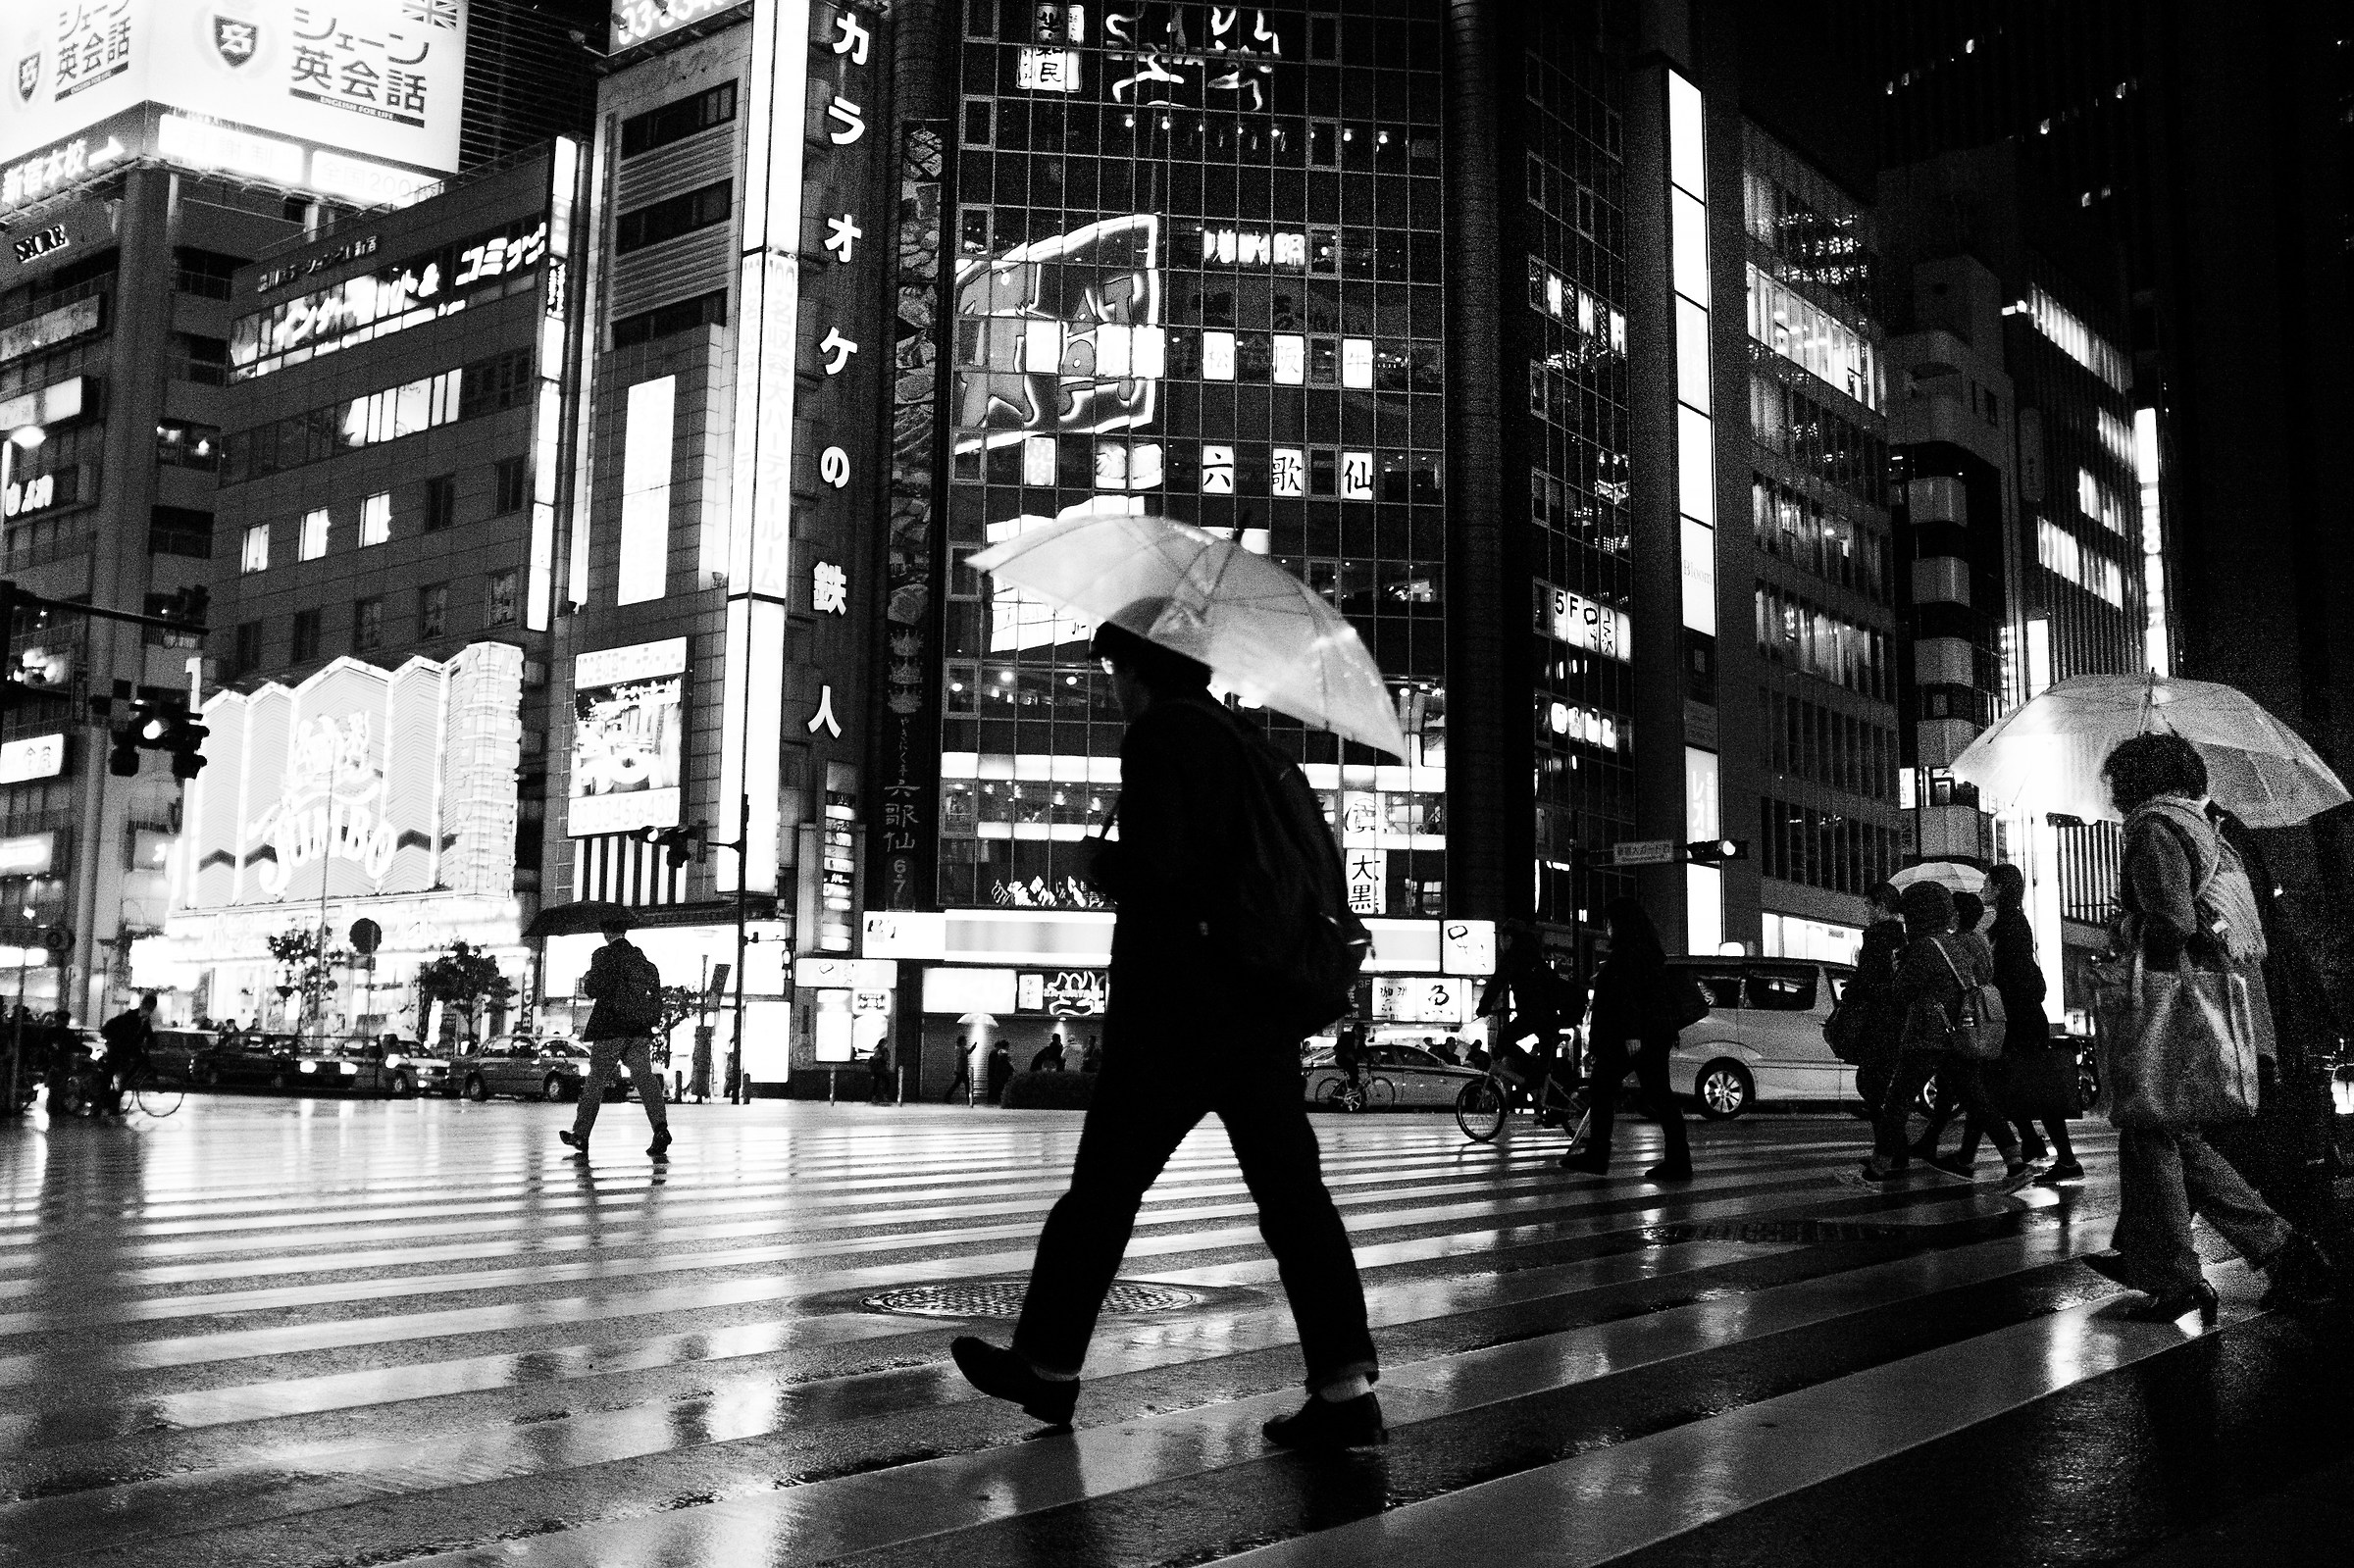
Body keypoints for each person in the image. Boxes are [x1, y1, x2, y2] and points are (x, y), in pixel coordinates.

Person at [950, 612, 1382, 1449]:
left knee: (1101, 1196)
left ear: (1138, 669)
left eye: (1114, 668)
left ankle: (1046, 1366)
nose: (1112, 683)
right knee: (1295, 1202)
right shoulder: (1237, 737)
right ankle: (1347, 1391)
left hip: (1178, 1016)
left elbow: (1164, 876)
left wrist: (1101, 865)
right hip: (1252, 1013)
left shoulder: (1161, 738)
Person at [2081, 733, 2334, 1316]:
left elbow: (2173, 918)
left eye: (2117, 780)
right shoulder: (2207, 828)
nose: (2113, 793)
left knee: (2154, 1126)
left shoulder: (2152, 828)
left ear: (2136, 780)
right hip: (2223, 995)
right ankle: (2210, 1258)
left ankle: (2183, 1269)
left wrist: (2127, 932)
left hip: (2175, 1004)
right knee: (2166, 1134)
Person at [1862, 882, 2030, 1188]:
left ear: (1917, 915)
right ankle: (2015, 1162)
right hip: (1958, 1033)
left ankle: (1877, 1170)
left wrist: (1898, 968)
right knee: (1977, 1099)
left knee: (1897, 1100)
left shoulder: (1924, 947)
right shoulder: (1953, 944)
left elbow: (1902, 993)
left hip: (1927, 1034)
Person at [1938, 865, 2082, 1183]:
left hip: (2017, 1020)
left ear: (2000, 887)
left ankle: (2056, 1158)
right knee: (2000, 1086)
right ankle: (1993, 1153)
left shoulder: (2011, 925)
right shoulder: (2009, 923)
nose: (1983, 888)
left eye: (1988, 882)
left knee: (2019, 1088)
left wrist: (1991, 991)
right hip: (2018, 1019)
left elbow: (2015, 976)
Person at [1560, 898, 1692, 1182]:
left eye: (1609, 922)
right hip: (1651, 1034)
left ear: (1620, 924)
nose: (1606, 928)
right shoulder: (1645, 952)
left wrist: (1632, 1033)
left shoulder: (1628, 954)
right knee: (1658, 1094)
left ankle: (1598, 1155)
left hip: (1634, 1037)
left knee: (1605, 1087)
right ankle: (1678, 1160)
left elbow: (1628, 997)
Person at [558, 918, 673, 1162]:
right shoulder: (645, 963)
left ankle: (580, 1134)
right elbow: (656, 997)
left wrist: (590, 977)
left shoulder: (603, 956)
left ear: (605, 932)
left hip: (611, 1028)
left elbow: (593, 989)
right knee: (645, 1078)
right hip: (639, 1030)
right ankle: (660, 1129)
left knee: (596, 1080)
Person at [1910, 887, 1998, 1160]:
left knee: (1971, 1092)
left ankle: (2007, 1154)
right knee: (1956, 1088)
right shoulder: (1980, 941)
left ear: (1956, 915)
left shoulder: (1958, 945)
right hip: (1977, 1019)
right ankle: (1935, 1143)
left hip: (1961, 1021)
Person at [1849, 884, 1909, 1123]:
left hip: (1877, 1018)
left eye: (1868, 905)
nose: (1865, 910)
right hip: (1895, 1018)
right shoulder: (1902, 938)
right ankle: (1891, 1148)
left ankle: (1890, 1147)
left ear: (1880, 906)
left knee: (1871, 1081)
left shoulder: (1877, 937)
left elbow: (1868, 978)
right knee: (1882, 1080)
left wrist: (1854, 990)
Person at [96, 992, 159, 1113]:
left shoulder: (145, 1020)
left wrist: (153, 1043)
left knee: (124, 1079)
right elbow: (124, 1033)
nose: (149, 1010)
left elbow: (148, 1034)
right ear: (143, 1004)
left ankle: (113, 1103)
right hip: (118, 1049)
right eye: (148, 1006)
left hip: (127, 1051)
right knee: (110, 1074)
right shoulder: (130, 1016)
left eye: (151, 1008)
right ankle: (101, 1103)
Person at [985, 1038, 1014, 1104]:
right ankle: (995, 1100)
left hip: (993, 1073)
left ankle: (991, 1100)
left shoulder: (995, 1053)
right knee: (997, 1087)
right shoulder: (998, 1053)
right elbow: (1003, 1064)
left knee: (993, 1087)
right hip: (996, 1073)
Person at [867, 1037, 895, 1104]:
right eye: (885, 1043)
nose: (886, 1045)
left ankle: (882, 1096)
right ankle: (875, 1097)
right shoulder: (878, 1050)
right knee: (876, 1083)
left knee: (885, 1082)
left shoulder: (885, 1051)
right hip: (877, 1069)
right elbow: (877, 1058)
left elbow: (887, 1059)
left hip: (882, 1069)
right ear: (882, 1044)